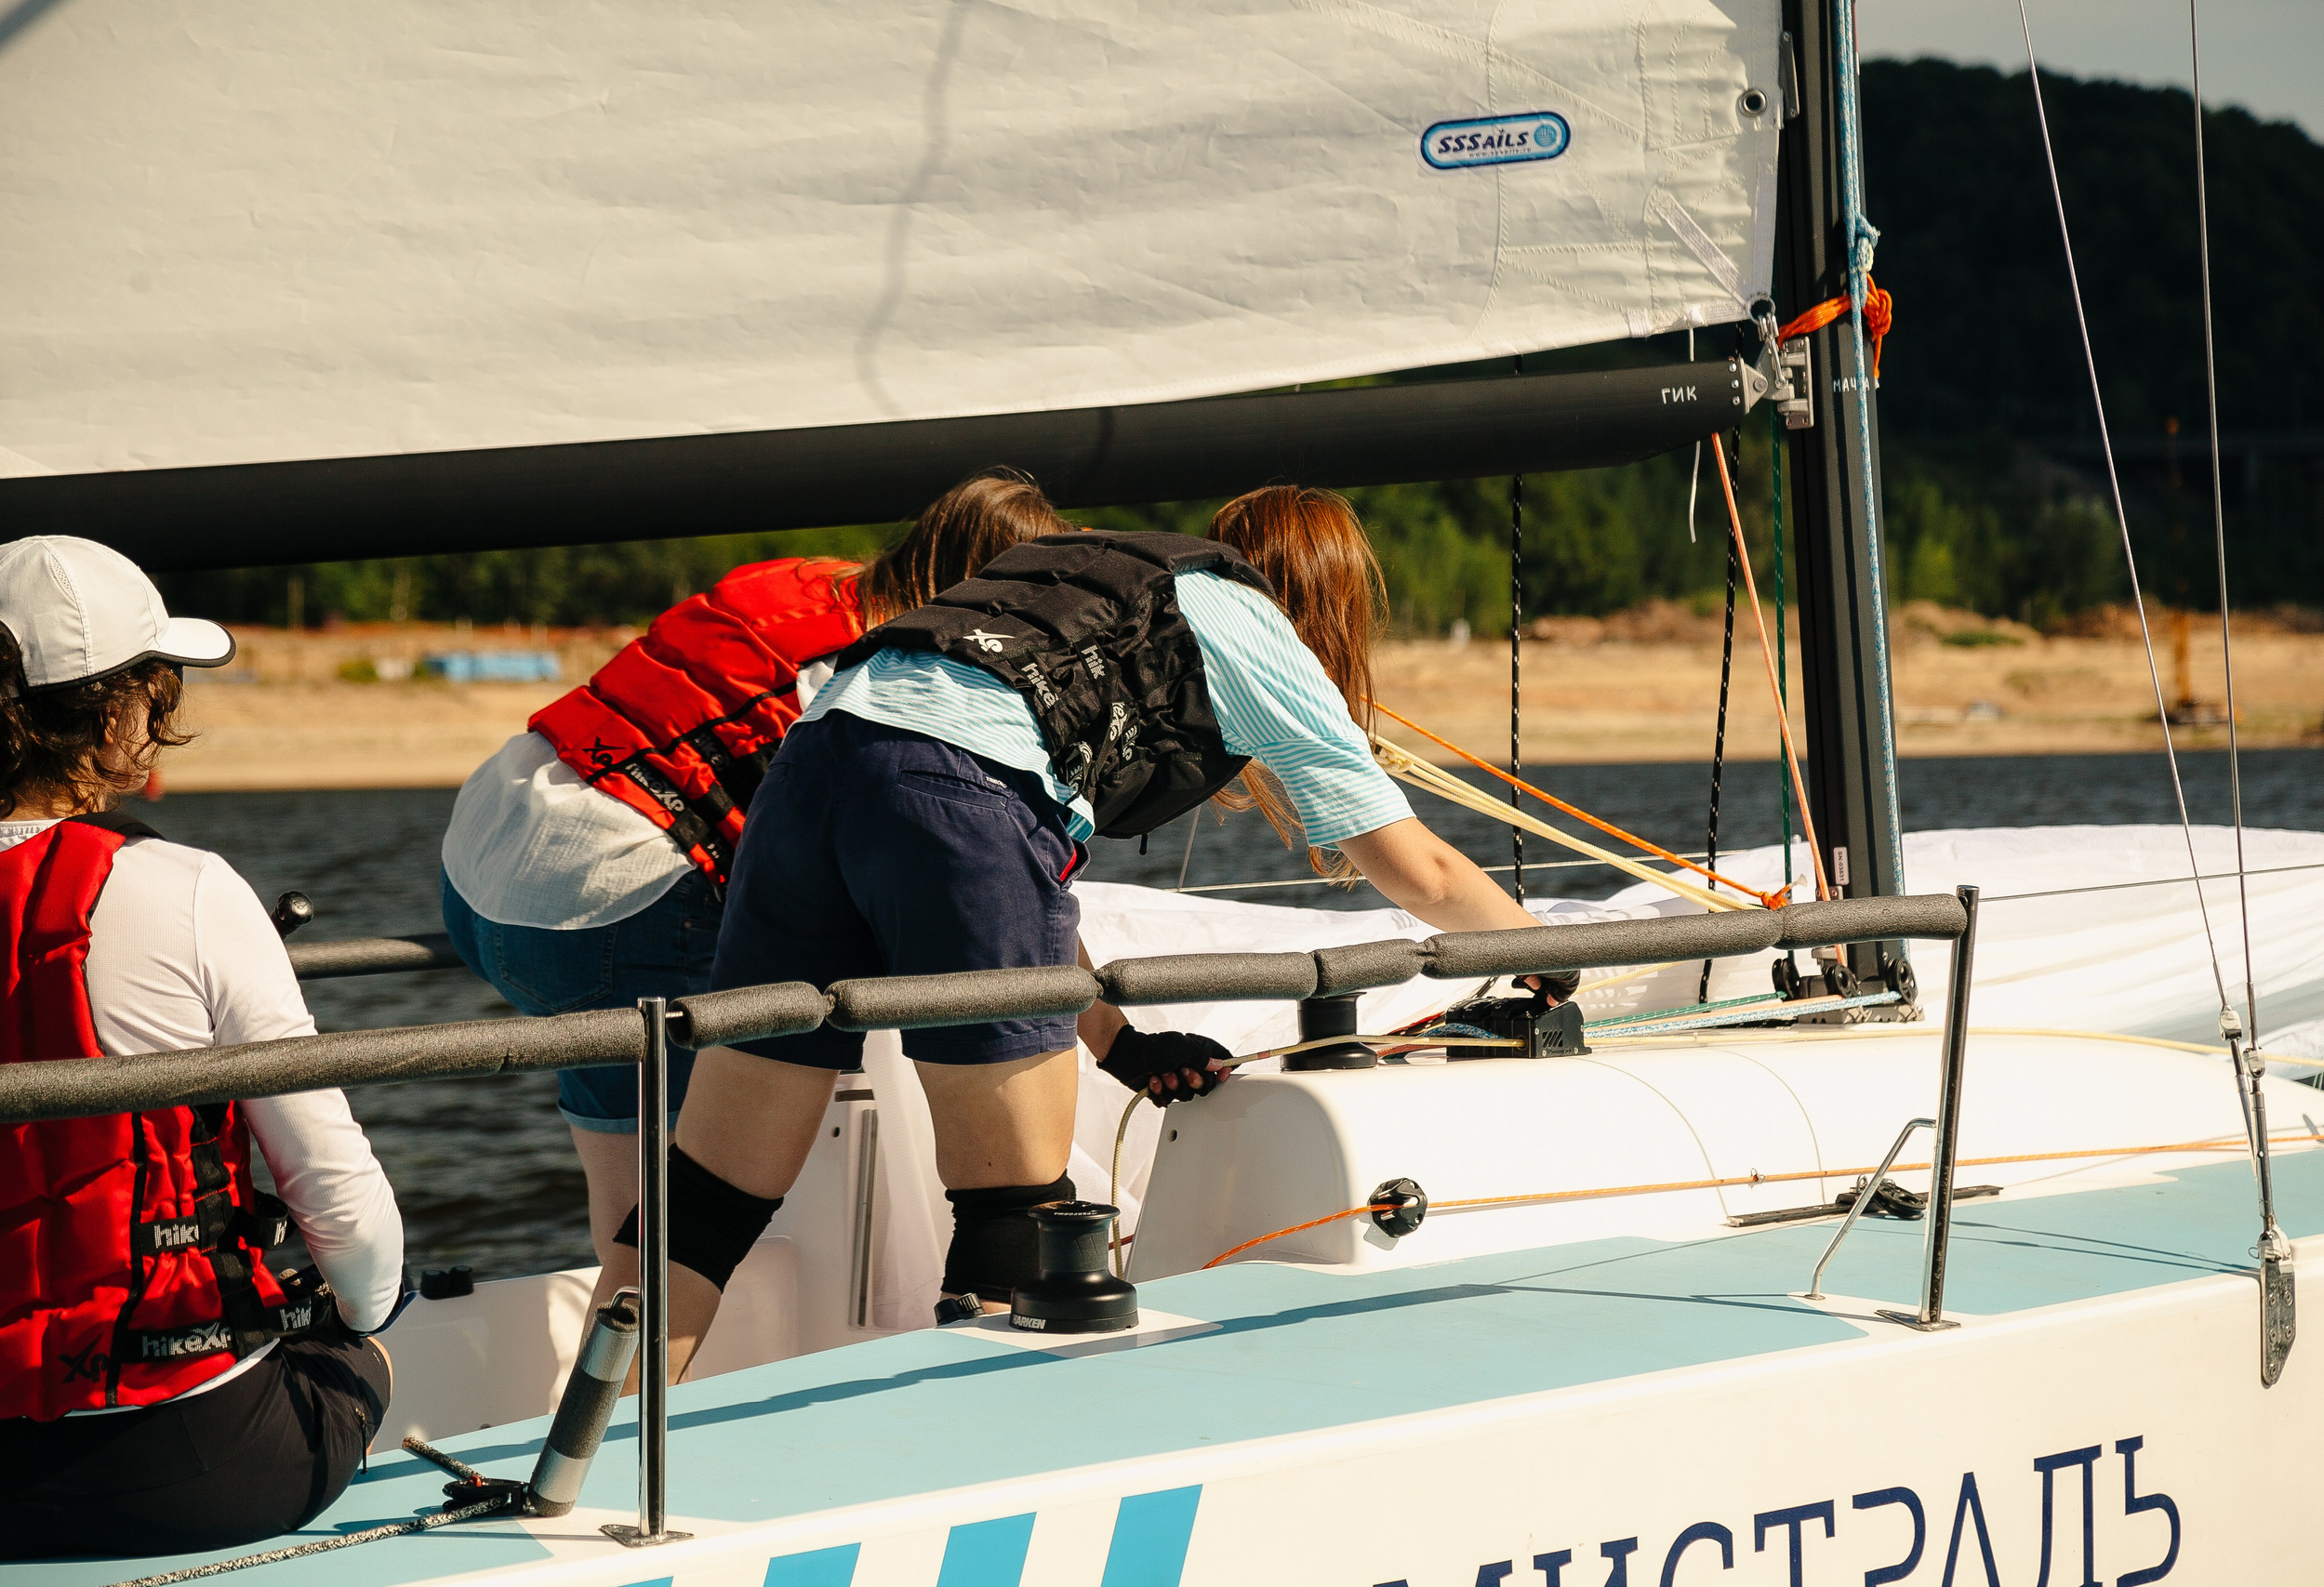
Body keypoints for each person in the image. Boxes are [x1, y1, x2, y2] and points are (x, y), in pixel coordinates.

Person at [641, 483, 1575, 1373]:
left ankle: (589, 1456)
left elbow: (995, 853)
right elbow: (1424, 872)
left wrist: (1117, 1042)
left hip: (810, 771)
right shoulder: (1251, 624)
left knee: (710, 1200)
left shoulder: (1087, 578)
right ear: (1322, 606)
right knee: (1014, 1205)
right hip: (957, 800)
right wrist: (1546, 961)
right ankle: (973, 1471)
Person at [439, 467, 1074, 1319]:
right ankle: (679, 1414)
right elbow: (948, 870)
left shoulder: (802, 583)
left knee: (635, 1204)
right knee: (711, 1195)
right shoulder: (916, 672)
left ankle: (611, 1402)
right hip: (618, 906)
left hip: (486, 876)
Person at [0, 537, 406, 1560]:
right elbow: (344, 1211)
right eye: (158, 686)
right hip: (187, 1464)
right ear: (113, 709)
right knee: (363, 1339)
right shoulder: (184, 891)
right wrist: (360, 1308)